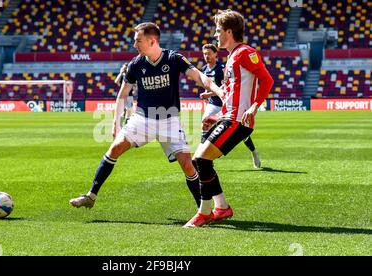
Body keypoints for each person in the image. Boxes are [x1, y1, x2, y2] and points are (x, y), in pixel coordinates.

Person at [69, 22, 224, 211]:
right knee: (114, 148)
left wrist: (218, 91)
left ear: (152, 41)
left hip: (169, 119)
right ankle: (91, 196)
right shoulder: (136, 64)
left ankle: (204, 210)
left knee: (187, 166)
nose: (135, 45)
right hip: (142, 118)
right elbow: (122, 95)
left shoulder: (173, 59)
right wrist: (115, 123)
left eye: (138, 40)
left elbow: (200, 77)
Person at [183, 10, 274, 228]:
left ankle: (205, 212)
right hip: (228, 118)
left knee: (202, 160)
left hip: (238, 122)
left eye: (218, 31)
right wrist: (217, 117)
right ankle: (221, 208)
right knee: (200, 160)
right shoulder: (232, 56)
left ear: (229, 32)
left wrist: (253, 107)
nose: (215, 35)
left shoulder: (245, 52)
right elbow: (233, 93)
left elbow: (267, 80)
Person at [200, 43, 261, 169]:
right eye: (205, 54)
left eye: (209, 53)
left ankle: (254, 152)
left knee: (242, 135)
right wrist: (208, 96)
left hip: (227, 103)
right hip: (213, 104)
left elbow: (226, 86)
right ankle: (203, 157)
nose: (206, 56)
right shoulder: (204, 69)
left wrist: (209, 94)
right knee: (205, 125)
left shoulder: (221, 68)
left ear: (216, 54)